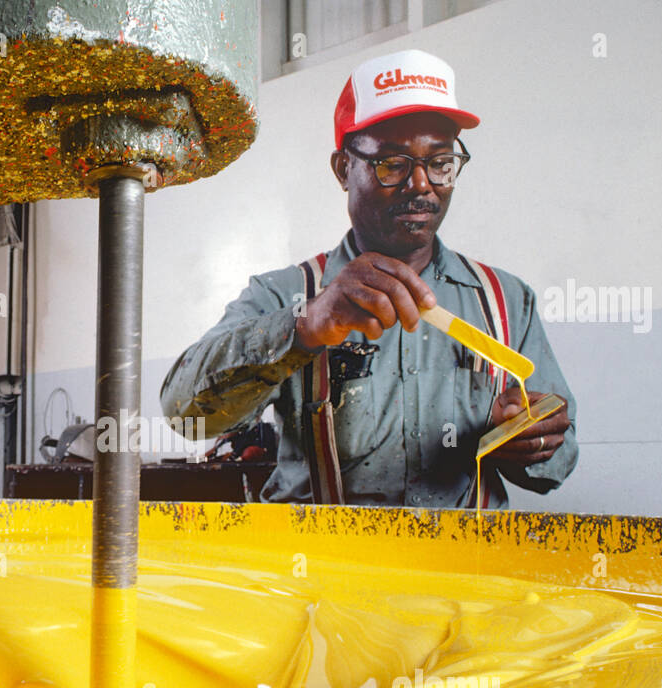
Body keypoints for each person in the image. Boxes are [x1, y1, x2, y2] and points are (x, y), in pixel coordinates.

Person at [160, 49, 577, 509]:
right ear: (344, 169)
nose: (421, 184)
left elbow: (557, 463)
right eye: (392, 164)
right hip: (326, 571)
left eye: (440, 162)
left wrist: (530, 445)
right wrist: (303, 329)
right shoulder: (287, 293)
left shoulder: (505, 300)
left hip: (464, 573)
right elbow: (186, 417)